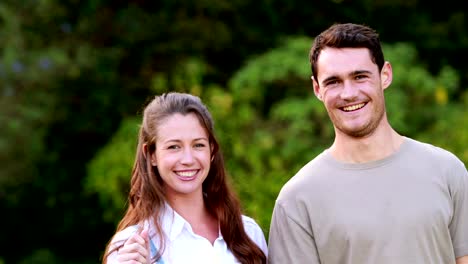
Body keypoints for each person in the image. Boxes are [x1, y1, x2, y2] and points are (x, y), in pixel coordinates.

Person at [268, 22, 468, 264]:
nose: (349, 93)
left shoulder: (448, 172)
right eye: (333, 82)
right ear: (317, 89)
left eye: (360, 76)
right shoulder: (296, 200)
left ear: (385, 75)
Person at [102, 92, 267, 264]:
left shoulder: (248, 233)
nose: (188, 159)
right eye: (174, 147)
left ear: (211, 151)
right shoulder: (131, 248)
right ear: (151, 155)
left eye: (198, 145)